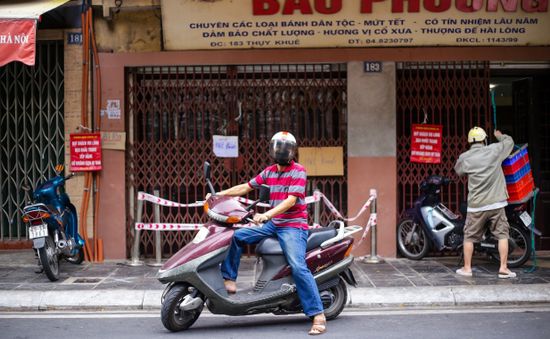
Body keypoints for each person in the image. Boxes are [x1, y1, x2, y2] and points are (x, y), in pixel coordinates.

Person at [211, 131, 326, 335]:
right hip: (275, 223)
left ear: (292, 152)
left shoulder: (299, 171)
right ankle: (229, 278)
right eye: (278, 147)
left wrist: (267, 215)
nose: (281, 151)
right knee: (237, 236)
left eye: (285, 148)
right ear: (273, 149)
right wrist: (219, 194)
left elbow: (291, 200)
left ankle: (317, 314)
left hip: (293, 225)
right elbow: (245, 187)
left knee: (298, 266)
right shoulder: (269, 172)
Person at [454, 127, 516, 279]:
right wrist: (500, 136)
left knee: (469, 236)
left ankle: (467, 268)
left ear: (470, 141)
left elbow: (458, 171)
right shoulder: (494, 150)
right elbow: (510, 143)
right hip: (496, 203)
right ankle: (503, 267)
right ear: (484, 140)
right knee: (502, 235)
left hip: (476, 205)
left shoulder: (465, 157)